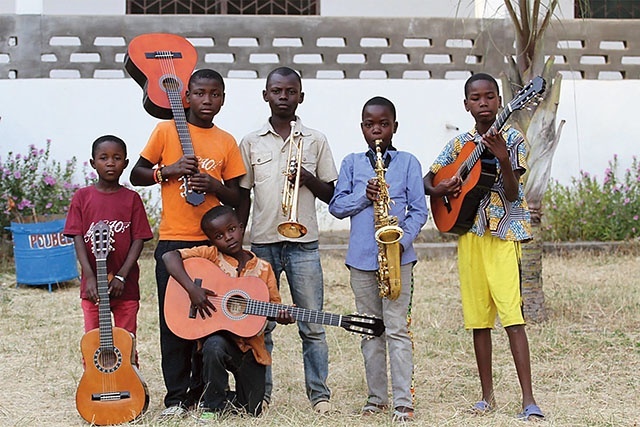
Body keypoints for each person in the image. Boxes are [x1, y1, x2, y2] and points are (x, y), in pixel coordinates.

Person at [423, 73, 544, 421]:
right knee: (478, 321)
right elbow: (429, 179)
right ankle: (486, 396)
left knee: (512, 317)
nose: (483, 104)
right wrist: (441, 189)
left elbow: (510, 192)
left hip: (503, 235)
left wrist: (503, 158)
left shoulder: (514, 139)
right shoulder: (459, 144)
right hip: (470, 235)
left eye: (490, 97)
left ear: (502, 100)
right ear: (466, 105)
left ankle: (528, 399)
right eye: (476, 99)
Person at [130, 68, 246, 417]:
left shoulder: (226, 141)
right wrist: (169, 170)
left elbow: (240, 196)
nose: (206, 100)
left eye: (214, 94)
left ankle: (206, 392)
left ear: (222, 99)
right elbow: (137, 174)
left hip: (212, 246)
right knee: (174, 320)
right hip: (174, 243)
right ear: (186, 97)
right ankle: (177, 397)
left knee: (208, 319)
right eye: (199, 93)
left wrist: (214, 186)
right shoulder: (166, 130)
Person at [237, 66, 337, 414]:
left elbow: (331, 195)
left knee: (312, 325)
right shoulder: (250, 142)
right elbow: (243, 195)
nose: (283, 97)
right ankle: (260, 396)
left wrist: (308, 178)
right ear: (266, 95)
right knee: (260, 325)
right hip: (262, 244)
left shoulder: (316, 140)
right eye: (276, 91)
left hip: (303, 243)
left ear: (301, 96)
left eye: (290, 91)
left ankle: (319, 396)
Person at [329, 96, 428, 422]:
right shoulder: (352, 163)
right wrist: (363, 196)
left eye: (383, 124)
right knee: (370, 331)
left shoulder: (409, 162)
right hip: (360, 260)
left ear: (394, 127)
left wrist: (402, 242)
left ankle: (403, 403)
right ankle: (376, 399)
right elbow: (337, 206)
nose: (377, 131)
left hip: (398, 257)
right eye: (370, 125)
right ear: (362, 128)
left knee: (397, 330)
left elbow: (419, 210)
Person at [162, 205, 294, 418]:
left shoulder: (263, 268)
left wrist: (282, 315)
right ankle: (212, 407)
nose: (228, 237)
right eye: (219, 235)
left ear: (241, 228)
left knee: (251, 410)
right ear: (211, 240)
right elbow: (169, 257)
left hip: (250, 349)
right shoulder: (210, 256)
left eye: (232, 229)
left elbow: (274, 306)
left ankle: (218, 397)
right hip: (219, 343)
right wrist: (192, 289)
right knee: (213, 346)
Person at [64, 135, 153, 351]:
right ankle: (95, 385)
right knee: (93, 345)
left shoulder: (132, 199)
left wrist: (122, 275)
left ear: (126, 163)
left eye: (117, 158)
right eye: (104, 158)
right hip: (93, 288)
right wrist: (90, 277)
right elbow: (77, 237)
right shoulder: (82, 197)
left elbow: (139, 239)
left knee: (126, 345)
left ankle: (129, 383)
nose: (111, 163)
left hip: (126, 286)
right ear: (93, 163)